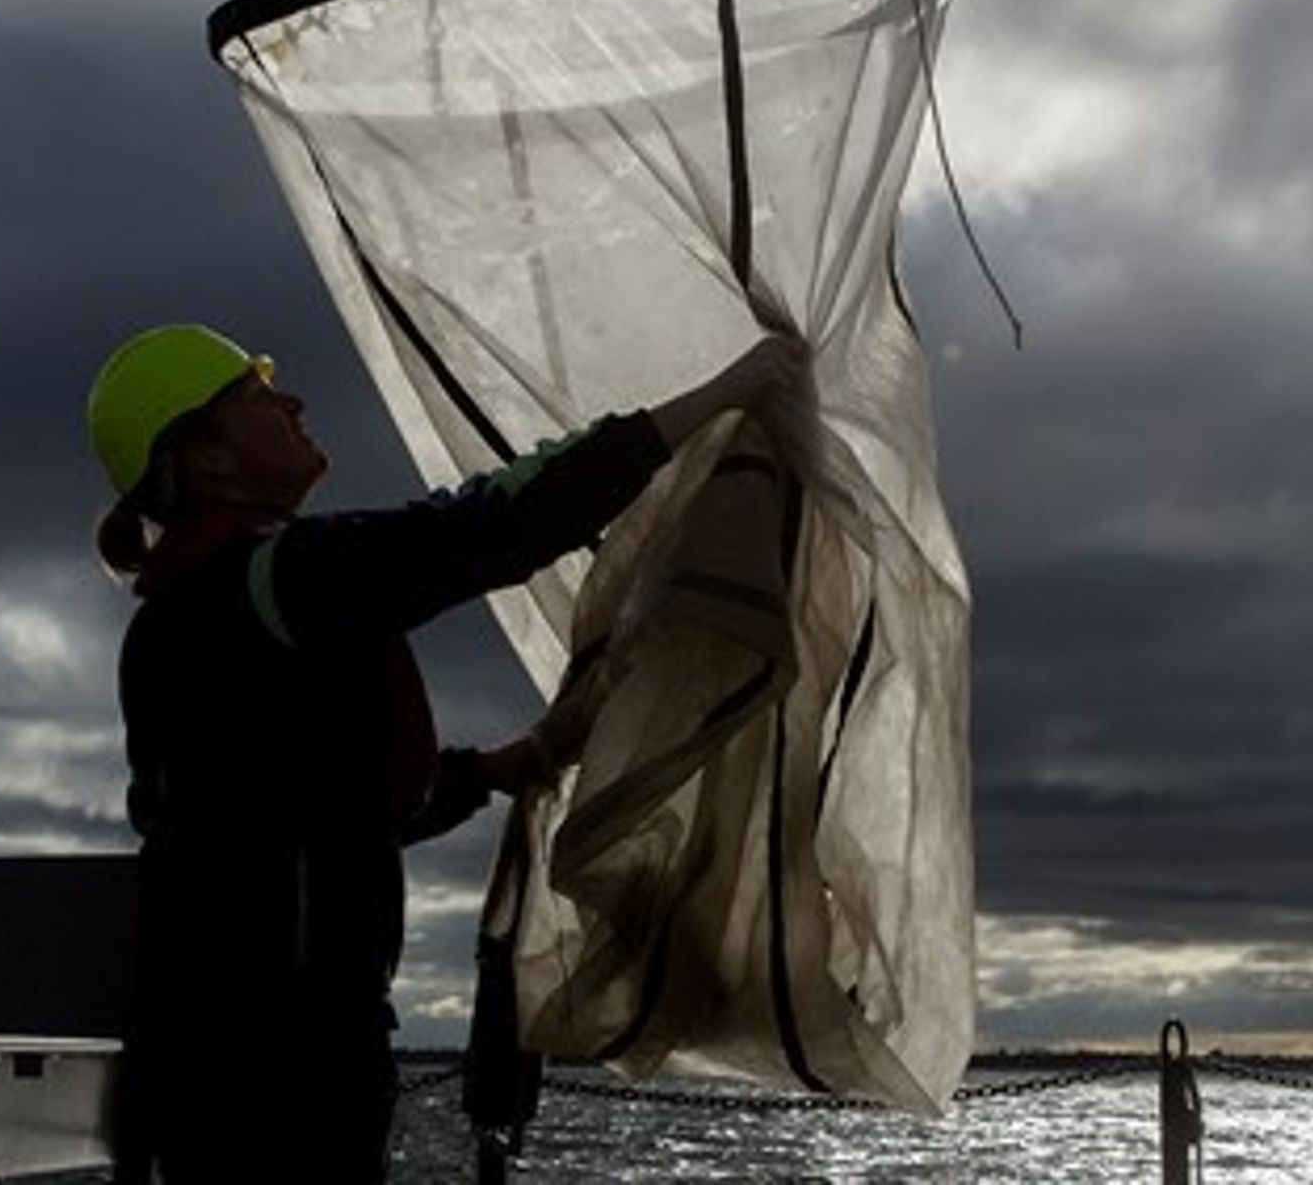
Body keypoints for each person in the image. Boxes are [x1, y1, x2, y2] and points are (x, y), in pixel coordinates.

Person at [84, 322, 805, 1182]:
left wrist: (500, 768)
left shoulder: (176, 619)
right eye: (257, 396)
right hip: (283, 1061)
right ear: (206, 459)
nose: (293, 401)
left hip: (216, 1049)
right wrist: (723, 391)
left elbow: (286, 810)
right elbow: (489, 524)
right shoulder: (277, 580)